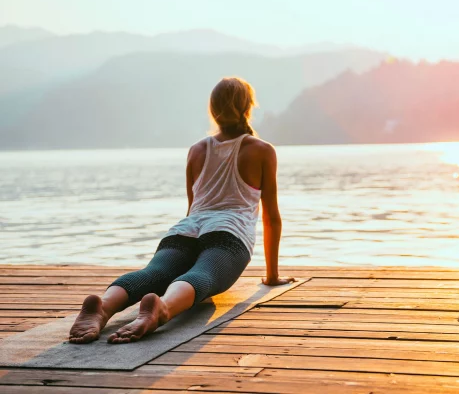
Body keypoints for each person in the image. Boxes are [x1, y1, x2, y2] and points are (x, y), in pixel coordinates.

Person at [68, 76, 295, 344]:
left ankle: (104, 306)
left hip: (185, 230)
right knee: (202, 276)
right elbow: (271, 218)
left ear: (212, 110)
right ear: (248, 108)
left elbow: (193, 207)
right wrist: (271, 276)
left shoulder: (197, 150)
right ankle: (161, 308)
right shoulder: (261, 150)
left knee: (152, 274)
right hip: (228, 235)